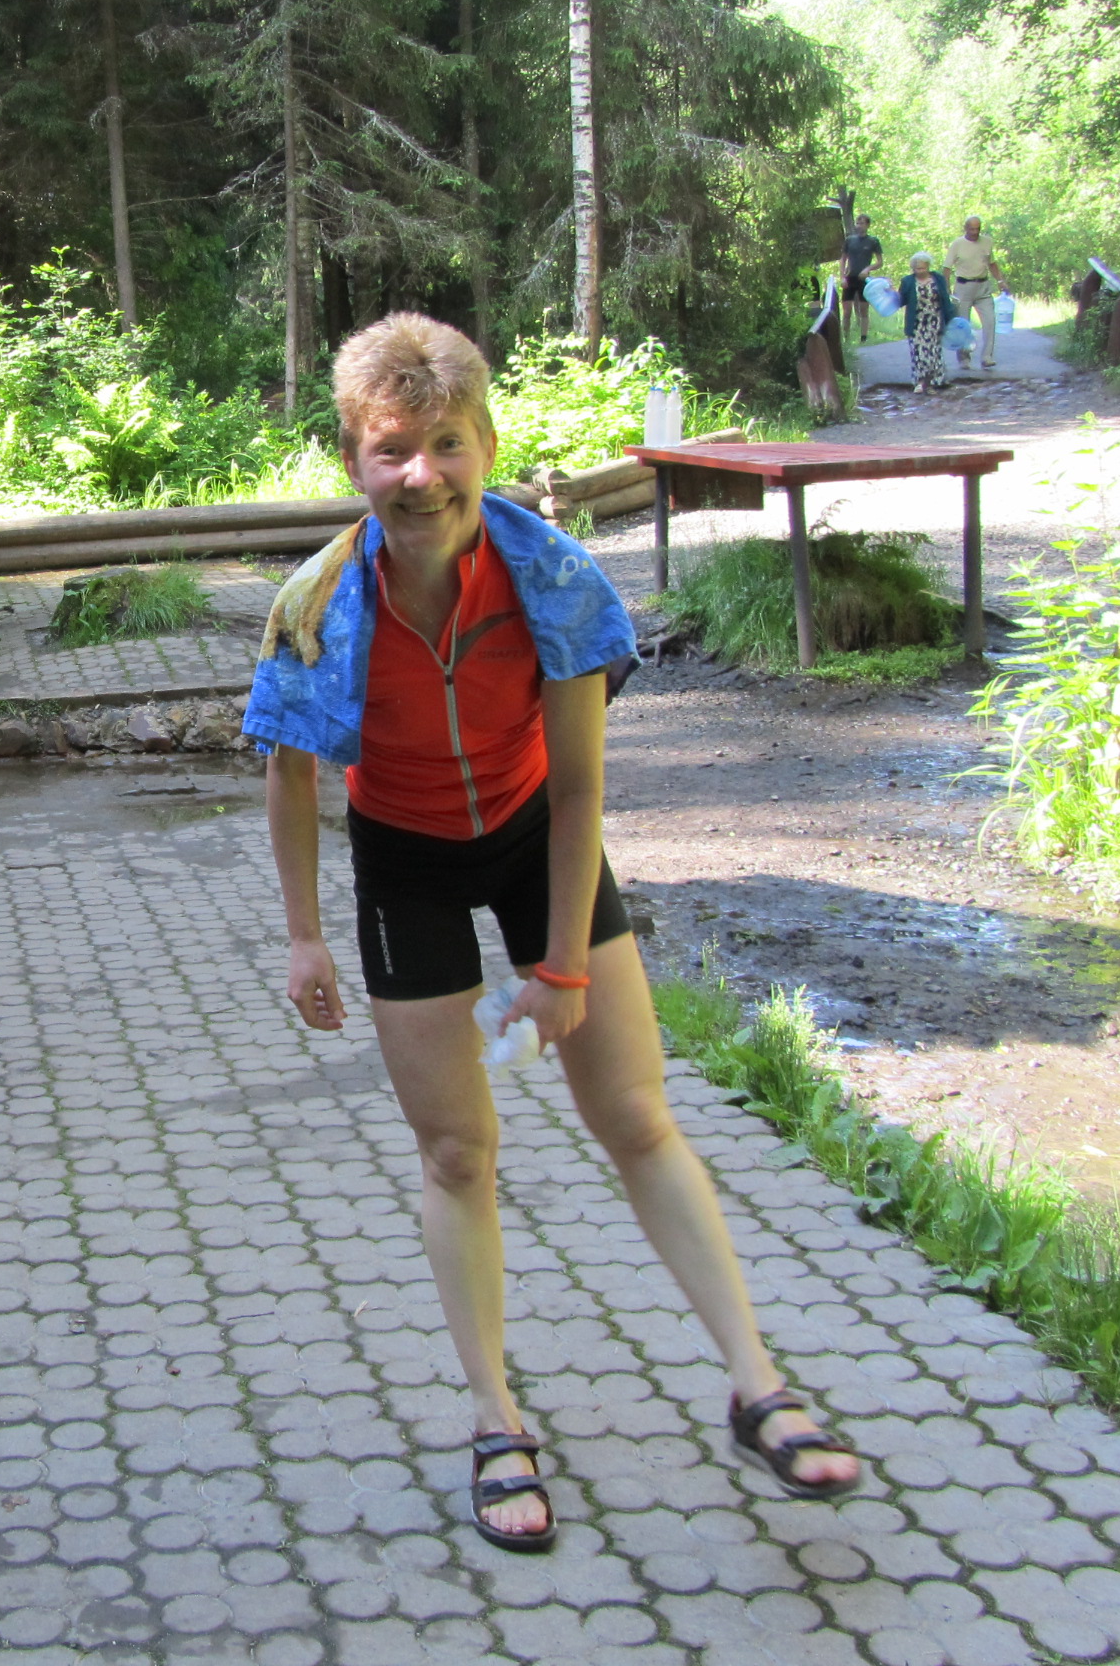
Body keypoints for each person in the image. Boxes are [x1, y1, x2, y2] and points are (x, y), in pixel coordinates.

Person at [245, 314, 866, 1553]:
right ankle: (496, 1419)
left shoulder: (555, 578)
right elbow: (291, 772)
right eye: (391, 450)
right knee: (456, 1152)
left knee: (635, 1117)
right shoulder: (317, 603)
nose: (421, 475)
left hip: (540, 839)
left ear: (485, 444)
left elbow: (580, 791)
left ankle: (757, 1385)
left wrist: (563, 964)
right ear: (354, 461)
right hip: (406, 862)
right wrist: (304, 938)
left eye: (446, 444)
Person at [944, 215, 1008, 372]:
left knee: (990, 321)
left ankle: (987, 357)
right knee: (963, 325)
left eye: (977, 229)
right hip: (963, 287)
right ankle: (964, 358)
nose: (974, 232)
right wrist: (946, 289)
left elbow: (992, 263)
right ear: (965, 228)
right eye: (971, 229)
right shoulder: (957, 244)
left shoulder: (987, 242)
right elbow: (947, 268)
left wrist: (1000, 281)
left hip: (983, 286)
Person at [901, 252, 955, 394]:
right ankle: (920, 382)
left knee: (934, 353)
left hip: (934, 321)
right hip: (916, 322)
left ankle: (932, 382)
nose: (920, 271)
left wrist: (952, 319)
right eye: (917, 268)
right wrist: (888, 290)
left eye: (923, 268)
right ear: (913, 268)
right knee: (918, 353)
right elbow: (901, 300)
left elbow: (945, 300)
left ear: (928, 266)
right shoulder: (907, 281)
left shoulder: (938, 279)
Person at [841, 213, 884, 343]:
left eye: (862, 223)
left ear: (868, 225)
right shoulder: (849, 240)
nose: (859, 226)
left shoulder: (873, 241)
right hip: (850, 277)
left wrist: (867, 269)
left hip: (864, 279)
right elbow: (843, 259)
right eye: (857, 223)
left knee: (864, 309)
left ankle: (863, 338)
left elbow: (880, 262)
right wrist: (842, 277)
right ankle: (846, 338)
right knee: (847, 310)